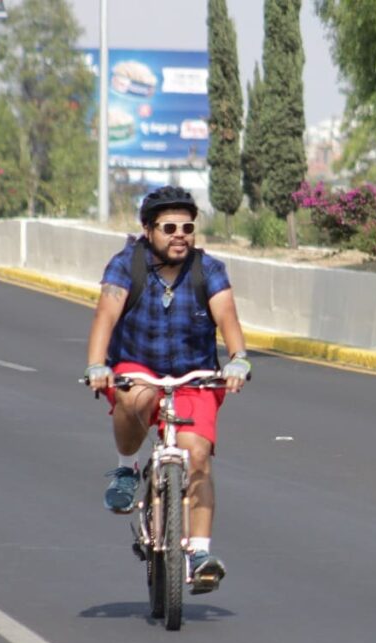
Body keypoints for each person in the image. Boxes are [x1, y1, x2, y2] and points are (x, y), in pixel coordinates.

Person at [84, 185, 251, 592]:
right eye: (169, 227)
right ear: (148, 230)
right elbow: (106, 315)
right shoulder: (127, 265)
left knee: (197, 455)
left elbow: (227, 316)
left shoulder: (208, 269)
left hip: (195, 374)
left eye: (188, 226)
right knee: (135, 397)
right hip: (138, 364)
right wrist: (97, 365)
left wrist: (239, 359)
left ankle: (198, 552)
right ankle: (127, 468)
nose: (180, 234)